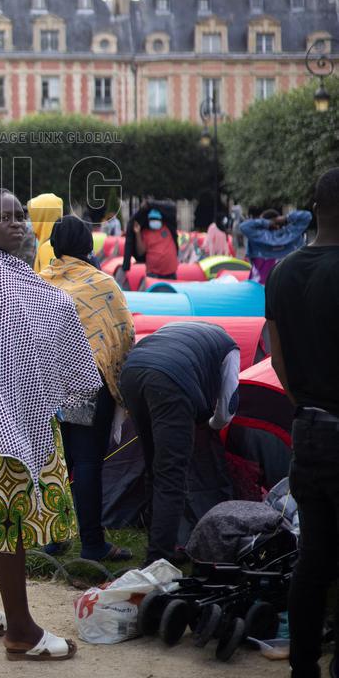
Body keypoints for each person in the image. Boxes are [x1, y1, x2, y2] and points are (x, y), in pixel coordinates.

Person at [0, 189, 102, 661]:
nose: (18, 224)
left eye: (21, 216)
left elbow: (30, 326)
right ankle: (20, 630)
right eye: (5, 217)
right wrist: (5, 415)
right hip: (4, 416)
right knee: (7, 516)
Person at [266, 168, 339, 678]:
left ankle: (303, 667)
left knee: (313, 557)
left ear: (314, 209)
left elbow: (277, 358)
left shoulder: (284, 271)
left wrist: (303, 400)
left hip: (309, 426)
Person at [39, 215, 135, 562]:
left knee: (52, 460)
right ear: (88, 245)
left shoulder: (40, 281)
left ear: (54, 245)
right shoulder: (102, 284)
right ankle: (93, 543)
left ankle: (53, 537)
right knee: (86, 462)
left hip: (44, 385)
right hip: (83, 384)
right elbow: (122, 332)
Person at [119, 321, 240, 566]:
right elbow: (227, 406)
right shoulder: (229, 346)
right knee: (171, 476)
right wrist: (212, 426)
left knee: (154, 468)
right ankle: (158, 560)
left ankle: (159, 546)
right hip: (170, 380)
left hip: (132, 373)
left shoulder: (172, 329)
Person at [240, 207, 312, 283]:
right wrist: (285, 218)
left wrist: (266, 223)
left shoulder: (258, 237)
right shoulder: (292, 234)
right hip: (290, 283)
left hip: (260, 285)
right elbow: (307, 216)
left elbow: (244, 226)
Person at [133, 204, 179, 279]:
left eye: (156, 219)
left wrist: (150, 203)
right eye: (152, 219)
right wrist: (137, 233)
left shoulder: (168, 228)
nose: (154, 221)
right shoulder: (145, 233)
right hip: (154, 274)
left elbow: (171, 207)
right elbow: (140, 252)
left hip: (171, 273)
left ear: (161, 220)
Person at [27, 192, 63, 273]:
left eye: (32, 216)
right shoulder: (62, 241)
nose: (30, 221)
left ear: (41, 218)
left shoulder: (49, 247)